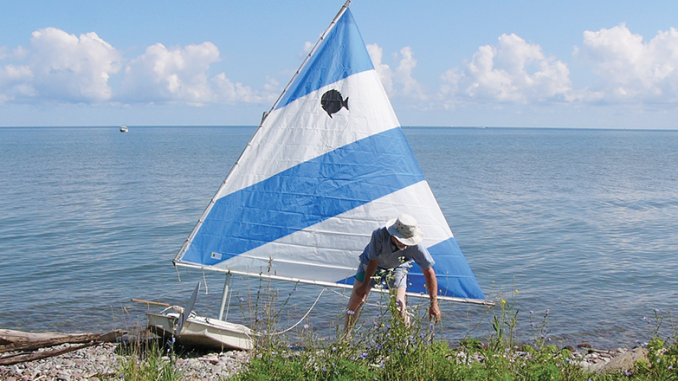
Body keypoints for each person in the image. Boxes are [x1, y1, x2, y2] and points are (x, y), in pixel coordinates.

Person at [344, 214, 441, 333]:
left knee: (399, 306)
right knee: (356, 302)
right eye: (402, 241)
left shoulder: (415, 246)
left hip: (398, 266)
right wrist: (364, 287)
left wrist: (434, 303)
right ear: (393, 235)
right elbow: (373, 262)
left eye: (408, 241)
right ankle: (345, 339)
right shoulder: (379, 234)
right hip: (370, 264)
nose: (405, 245)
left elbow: (429, 272)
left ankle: (405, 342)